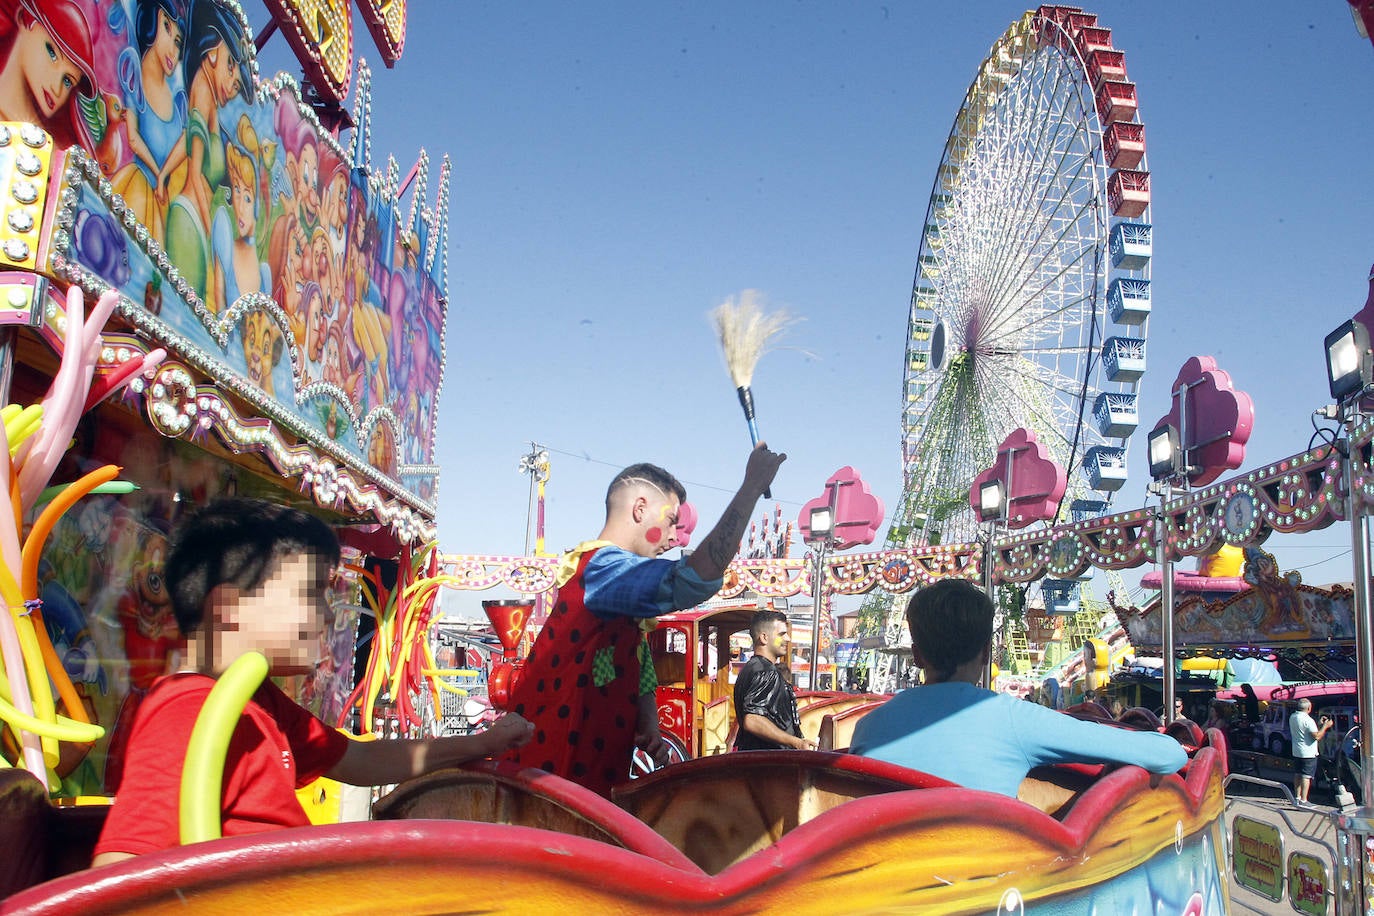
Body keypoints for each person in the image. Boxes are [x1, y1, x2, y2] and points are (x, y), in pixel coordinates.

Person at [91, 499, 534, 865]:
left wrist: (480, 744)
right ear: (228, 608)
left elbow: (358, 759)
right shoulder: (187, 712)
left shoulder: (256, 701)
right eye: (309, 593)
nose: (325, 613)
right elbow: (120, 870)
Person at [504, 443, 785, 797]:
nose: (673, 538)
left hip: (583, 782)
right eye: (670, 522)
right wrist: (750, 488)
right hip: (553, 784)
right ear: (640, 509)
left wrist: (647, 721)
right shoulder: (604, 570)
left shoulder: (617, 588)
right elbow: (694, 580)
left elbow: (640, 668)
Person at [851, 579, 1188, 798]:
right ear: (986, 653)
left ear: (917, 655)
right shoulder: (1013, 719)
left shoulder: (869, 727)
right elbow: (1167, 754)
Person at [733, 609, 815, 751]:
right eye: (782, 634)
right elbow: (752, 719)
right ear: (764, 638)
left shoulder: (750, 668)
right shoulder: (766, 672)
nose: (788, 639)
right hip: (769, 765)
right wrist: (796, 742)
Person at [1289, 698, 1332, 806]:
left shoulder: (1293, 717)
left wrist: (1319, 724)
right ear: (1309, 708)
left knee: (1298, 774)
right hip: (1308, 752)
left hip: (1297, 750)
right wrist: (1325, 727)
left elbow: (1306, 731)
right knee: (1306, 776)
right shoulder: (1308, 720)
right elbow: (1316, 736)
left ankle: (1297, 798)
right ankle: (1304, 800)